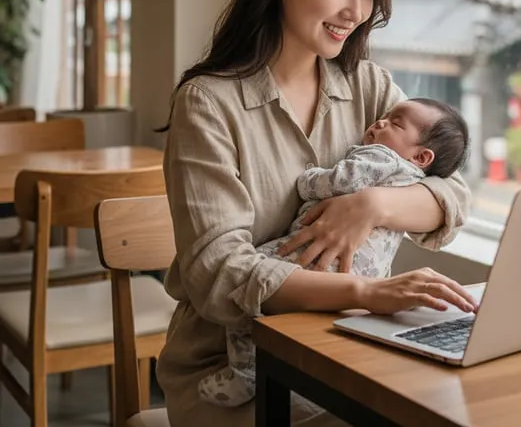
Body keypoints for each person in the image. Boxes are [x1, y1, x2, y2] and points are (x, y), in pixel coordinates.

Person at [157, 0, 475, 427]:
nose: (356, 12)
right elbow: (218, 273)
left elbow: (450, 193)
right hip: (230, 373)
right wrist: (367, 292)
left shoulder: (369, 87)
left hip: (345, 343)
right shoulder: (207, 104)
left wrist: (372, 206)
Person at [199, 97, 470, 407]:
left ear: (422, 156)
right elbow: (216, 266)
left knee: (251, 286)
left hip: (314, 259)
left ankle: (245, 372)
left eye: (394, 123)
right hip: (362, 276)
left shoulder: (380, 156)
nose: (380, 122)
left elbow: (454, 196)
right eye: (385, 117)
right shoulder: (413, 174)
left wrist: (313, 182)